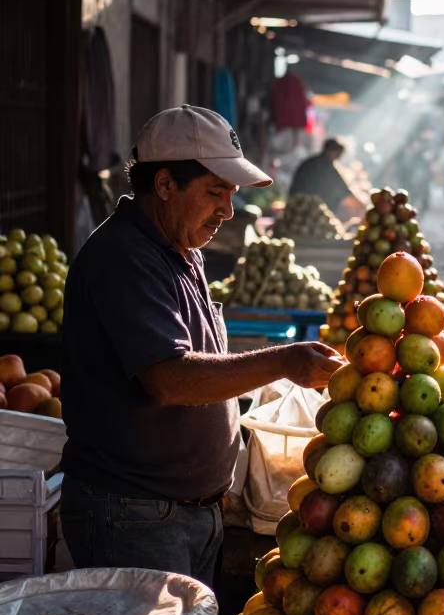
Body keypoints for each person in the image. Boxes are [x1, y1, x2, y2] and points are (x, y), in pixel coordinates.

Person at [59, 105, 343, 584]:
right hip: (134, 513)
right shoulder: (124, 257)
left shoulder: (180, 250)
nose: (227, 212)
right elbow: (169, 378)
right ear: (166, 184)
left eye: (230, 195)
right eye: (215, 192)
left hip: (185, 510)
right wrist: (284, 361)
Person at [289, 138, 362, 216]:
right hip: (304, 204)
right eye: (337, 154)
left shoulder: (313, 162)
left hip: (299, 201)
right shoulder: (321, 166)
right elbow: (341, 187)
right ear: (330, 151)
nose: (338, 158)